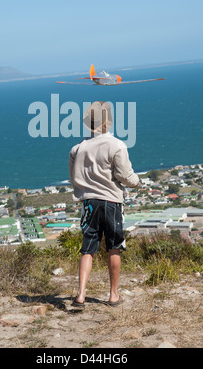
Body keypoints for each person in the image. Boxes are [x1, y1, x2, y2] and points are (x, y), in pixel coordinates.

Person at [68, 101, 139, 308]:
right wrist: (136, 182)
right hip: (111, 202)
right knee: (114, 247)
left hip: (89, 203)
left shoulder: (77, 149)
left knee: (87, 249)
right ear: (108, 122)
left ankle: (80, 295)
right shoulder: (117, 145)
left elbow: (74, 178)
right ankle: (113, 295)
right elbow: (125, 175)